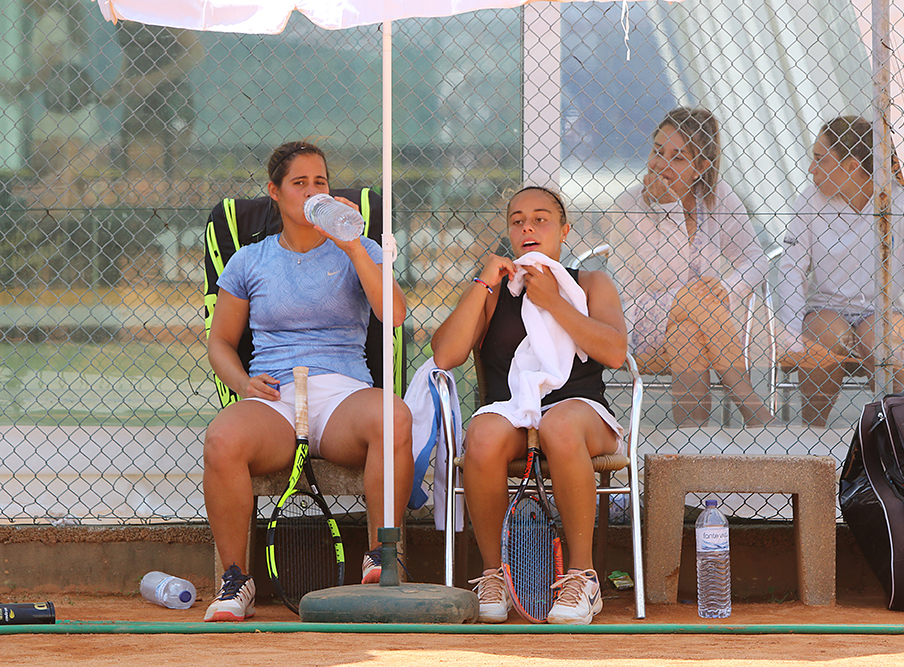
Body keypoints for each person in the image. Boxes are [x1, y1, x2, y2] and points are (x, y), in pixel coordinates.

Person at [202, 141, 413, 622]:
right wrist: (243, 382)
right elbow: (221, 344)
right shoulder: (250, 261)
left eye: (321, 182)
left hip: (343, 393)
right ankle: (236, 580)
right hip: (276, 398)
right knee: (222, 437)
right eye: (300, 183)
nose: (313, 191)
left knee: (394, 415)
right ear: (275, 192)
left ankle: (383, 556)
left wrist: (353, 244)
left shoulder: (361, 249)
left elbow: (394, 314)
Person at [432, 186, 627, 625]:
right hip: (514, 412)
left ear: (564, 229)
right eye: (518, 220)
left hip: (582, 411)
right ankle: (495, 574)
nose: (527, 227)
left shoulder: (590, 282)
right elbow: (445, 356)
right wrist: (483, 283)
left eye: (540, 218)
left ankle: (583, 577)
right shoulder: (496, 288)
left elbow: (614, 351)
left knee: (559, 424)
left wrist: (553, 302)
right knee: (481, 434)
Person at [608, 107, 773, 427]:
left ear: (701, 167)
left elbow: (756, 258)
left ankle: (691, 443)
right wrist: (667, 207)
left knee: (688, 333)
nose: (661, 163)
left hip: (702, 324)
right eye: (658, 151)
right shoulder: (628, 207)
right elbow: (663, 279)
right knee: (695, 300)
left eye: (678, 157)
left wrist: (727, 287)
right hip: (637, 318)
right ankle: (757, 413)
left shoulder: (716, 197)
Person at [775, 115, 904, 426]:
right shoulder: (810, 200)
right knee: (829, 339)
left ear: (851, 166)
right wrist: (791, 336)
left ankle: (903, 444)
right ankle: (812, 437)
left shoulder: (899, 202)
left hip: (885, 309)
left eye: (820, 159)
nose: (811, 168)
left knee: (880, 343)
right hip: (826, 308)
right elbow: (791, 270)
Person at [1, 0, 99, 195]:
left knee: (54, 176)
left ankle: (56, 218)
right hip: (71, 110)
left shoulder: (51, 20)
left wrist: (16, 88)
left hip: (63, 115)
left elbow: (52, 70)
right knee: (66, 179)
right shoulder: (54, 19)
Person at [106, 23, 204, 179]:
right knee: (132, 155)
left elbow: (195, 51)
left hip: (170, 95)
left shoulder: (159, 8)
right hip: (137, 95)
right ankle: (134, 197)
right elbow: (131, 52)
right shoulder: (120, 10)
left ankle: (172, 197)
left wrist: (152, 81)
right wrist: (117, 85)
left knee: (172, 156)